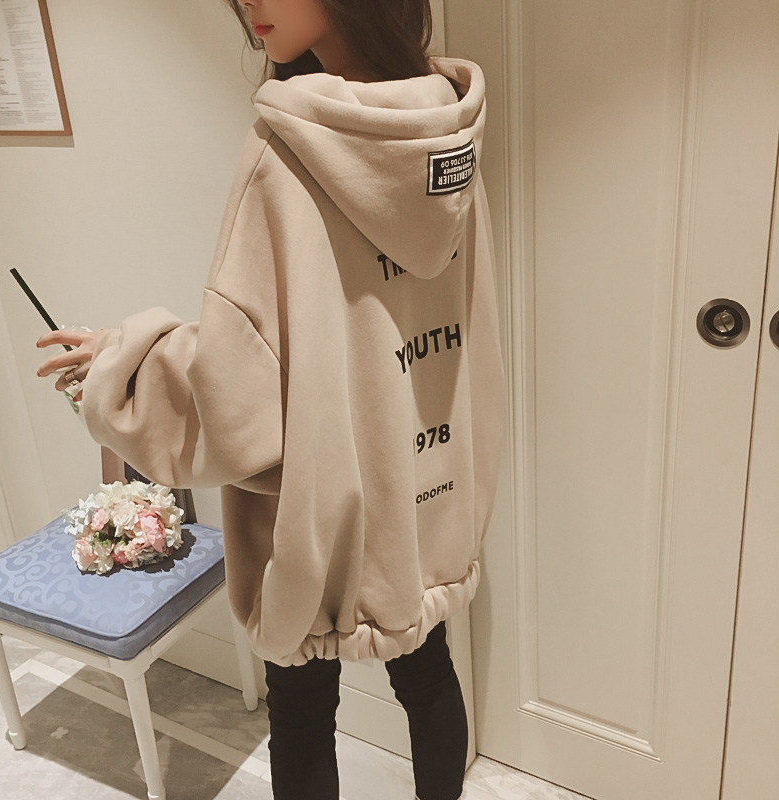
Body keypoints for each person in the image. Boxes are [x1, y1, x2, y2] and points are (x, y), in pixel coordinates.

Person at [36, 1, 504, 798]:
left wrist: (123, 361)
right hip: (426, 479)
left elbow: (240, 385)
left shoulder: (286, 150)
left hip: (322, 494)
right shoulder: (443, 132)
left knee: (301, 706)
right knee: (427, 670)